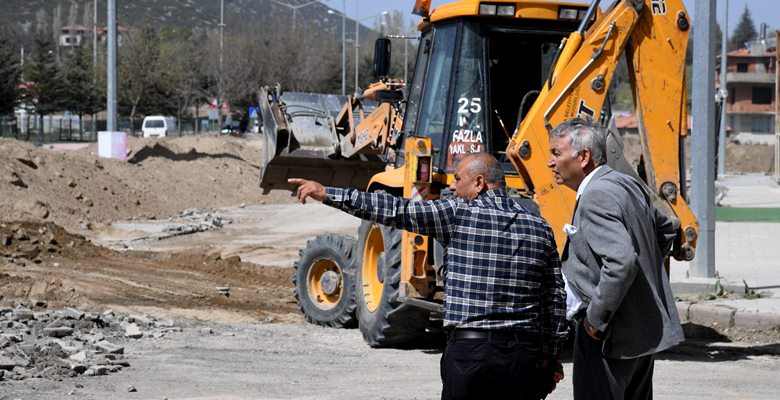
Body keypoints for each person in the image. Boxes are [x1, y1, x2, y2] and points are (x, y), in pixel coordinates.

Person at [289, 152, 567, 400]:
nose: (452, 186)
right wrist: (550, 356)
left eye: (458, 179)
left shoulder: (457, 214)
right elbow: (554, 296)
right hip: (523, 356)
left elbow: (394, 209)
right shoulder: (539, 226)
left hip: (471, 354)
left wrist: (327, 193)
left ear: (480, 183)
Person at [547, 118, 683, 400]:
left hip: (610, 337)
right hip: (640, 335)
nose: (550, 162)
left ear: (583, 157)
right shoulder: (626, 184)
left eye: (556, 153)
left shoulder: (596, 194)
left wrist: (595, 322)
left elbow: (621, 263)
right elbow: (666, 230)